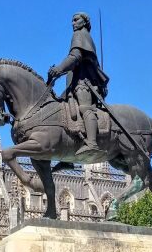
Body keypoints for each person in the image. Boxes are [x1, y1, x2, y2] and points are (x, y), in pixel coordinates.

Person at [47, 12, 110, 155]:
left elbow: (75, 57)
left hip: (84, 82)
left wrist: (58, 68)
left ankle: (92, 142)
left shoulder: (80, 35)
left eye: (76, 20)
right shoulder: (81, 36)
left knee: (85, 108)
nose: (73, 23)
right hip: (74, 83)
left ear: (84, 22)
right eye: (72, 20)